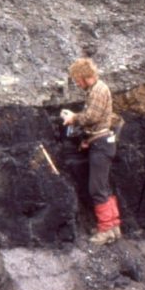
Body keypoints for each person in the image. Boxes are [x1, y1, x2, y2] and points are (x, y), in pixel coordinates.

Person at [61, 58, 122, 245]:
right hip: (101, 141)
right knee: (103, 187)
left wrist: (73, 118)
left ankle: (105, 230)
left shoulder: (98, 90)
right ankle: (113, 227)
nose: (77, 84)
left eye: (77, 79)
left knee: (96, 188)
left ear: (85, 76)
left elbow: (92, 116)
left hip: (102, 144)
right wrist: (88, 139)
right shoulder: (97, 89)